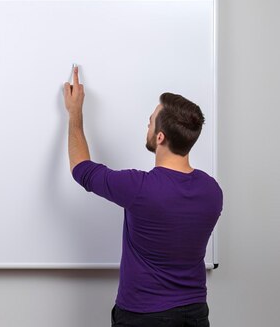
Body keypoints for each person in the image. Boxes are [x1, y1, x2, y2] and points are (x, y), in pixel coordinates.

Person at [63, 66, 223, 327]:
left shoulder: (139, 188)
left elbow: (81, 169)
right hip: (194, 314)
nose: (147, 123)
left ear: (160, 137)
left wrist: (74, 113)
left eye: (151, 119)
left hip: (143, 317)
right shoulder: (212, 192)